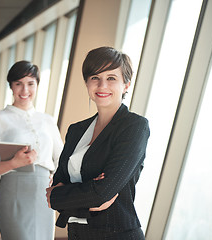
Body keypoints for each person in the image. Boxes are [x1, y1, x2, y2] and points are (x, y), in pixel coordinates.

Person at [46, 46, 150, 240]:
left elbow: (102, 193)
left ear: (126, 85)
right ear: (87, 83)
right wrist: (86, 195)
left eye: (111, 78)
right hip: (77, 234)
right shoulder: (76, 130)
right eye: (95, 77)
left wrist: (60, 196)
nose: (102, 86)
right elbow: (60, 187)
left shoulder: (135, 126)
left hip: (117, 234)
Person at [0, 60, 63, 240]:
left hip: (45, 195)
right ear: (11, 86)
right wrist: (13, 163)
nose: (25, 91)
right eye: (19, 84)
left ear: (37, 85)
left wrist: (58, 178)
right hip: (13, 193)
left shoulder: (47, 120)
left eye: (30, 84)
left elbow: (62, 159)